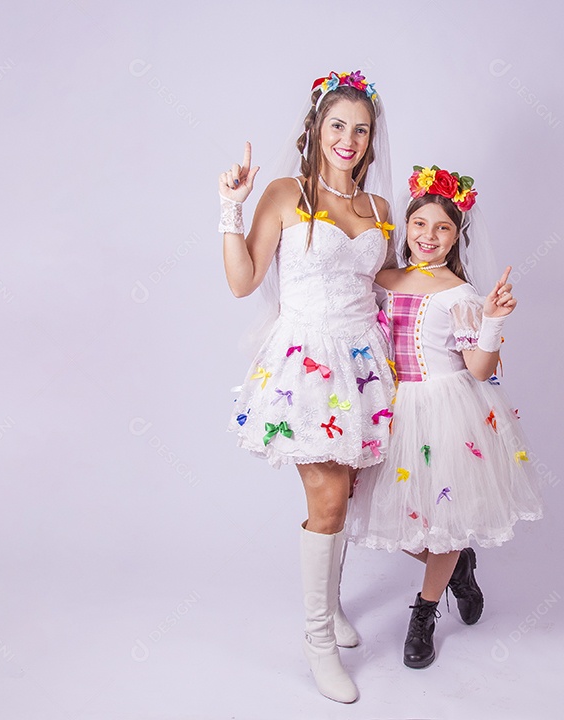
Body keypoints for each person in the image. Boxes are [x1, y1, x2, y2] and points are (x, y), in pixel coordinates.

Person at [217, 70, 394, 704]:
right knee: (326, 499)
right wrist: (230, 206)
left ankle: (335, 607)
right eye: (337, 125)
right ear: (317, 129)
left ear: (372, 140)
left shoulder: (379, 209)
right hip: (308, 362)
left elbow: (386, 285)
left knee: (344, 494)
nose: (348, 139)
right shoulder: (287, 193)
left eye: (361, 129)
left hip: (363, 363)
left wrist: (458, 302)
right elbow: (243, 282)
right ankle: (318, 639)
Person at [346, 165, 544, 668]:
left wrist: (493, 320)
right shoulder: (382, 280)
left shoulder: (459, 294)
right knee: (396, 520)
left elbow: (479, 369)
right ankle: (457, 567)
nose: (429, 236)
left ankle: (425, 612)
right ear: (405, 227)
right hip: (393, 407)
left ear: (457, 236)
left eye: (443, 228)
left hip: (445, 411)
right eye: (420, 224)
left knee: (445, 525)